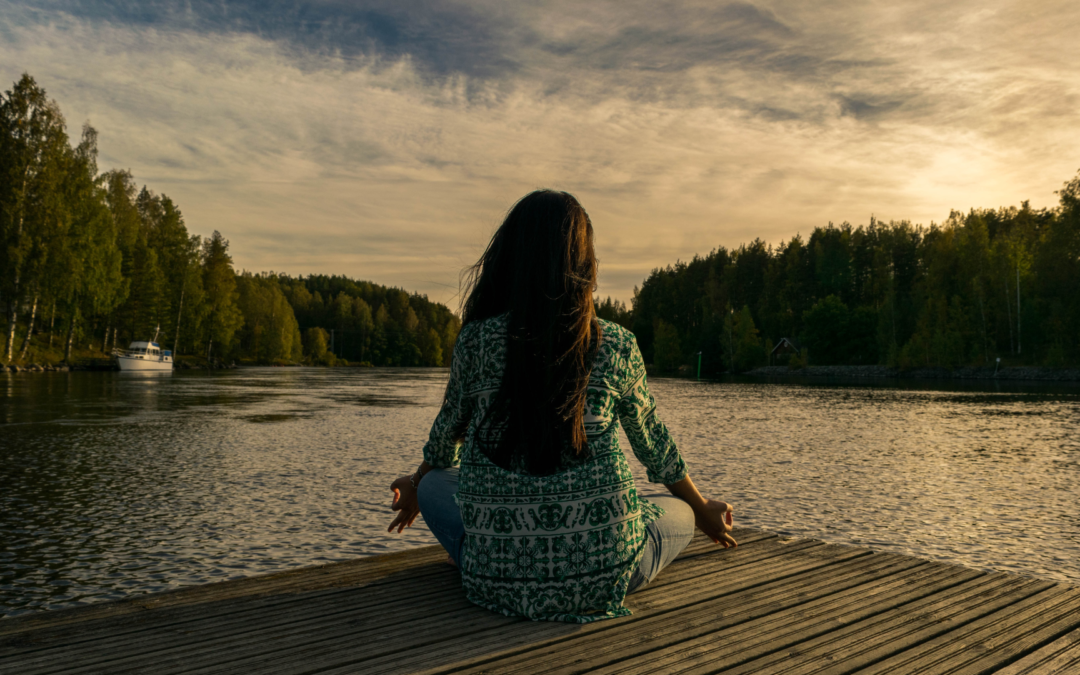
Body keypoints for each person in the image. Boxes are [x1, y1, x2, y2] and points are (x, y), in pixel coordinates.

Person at [387, 190, 736, 623]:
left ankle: (487, 557)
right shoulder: (617, 344)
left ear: (510, 257)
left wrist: (419, 482)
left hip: (495, 581)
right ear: (584, 264)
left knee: (438, 482)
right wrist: (703, 510)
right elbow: (655, 448)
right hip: (608, 574)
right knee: (678, 509)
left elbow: (444, 443)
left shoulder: (476, 341)